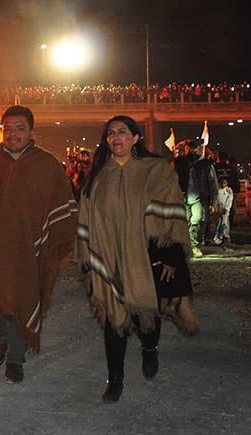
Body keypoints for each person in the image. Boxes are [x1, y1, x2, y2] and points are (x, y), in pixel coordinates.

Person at [77, 115, 200, 403]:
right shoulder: (98, 174)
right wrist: (88, 254)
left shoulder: (155, 169)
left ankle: (150, 349)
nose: (115, 137)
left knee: (147, 314)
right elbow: (86, 215)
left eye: (122, 132)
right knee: (113, 318)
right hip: (109, 257)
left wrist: (170, 255)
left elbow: (171, 210)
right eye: (110, 133)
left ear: (135, 138)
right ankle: (115, 379)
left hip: (146, 257)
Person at [0, 106, 77, 384]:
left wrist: (54, 242)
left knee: (20, 301)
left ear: (32, 131)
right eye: (7, 129)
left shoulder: (45, 165)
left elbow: (61, 207)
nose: (13, 134)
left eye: (20, 128)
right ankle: (0, 340)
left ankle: (15, 359)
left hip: (27, 250)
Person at [171, 139, 218, 257]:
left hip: (199, 198)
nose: (191, 151)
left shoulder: (206, 164)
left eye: (194, 149)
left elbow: (212, 182)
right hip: (182, 197)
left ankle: (194, 246)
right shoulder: (178, 162)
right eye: (189, 148)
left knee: (196, 221)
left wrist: (214, 200)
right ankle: (184, 246)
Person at [213, 177, 233, 245]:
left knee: (224, 223)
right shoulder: (216, 190)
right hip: (218, 210)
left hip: (225, 210)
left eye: (224, 183)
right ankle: (218, 237)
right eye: (221, 182)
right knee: (218, 224)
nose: (223, 184)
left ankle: (225, 236)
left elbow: (229, 200)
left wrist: (227, 208)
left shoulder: (228, 191)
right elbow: (215, 200)